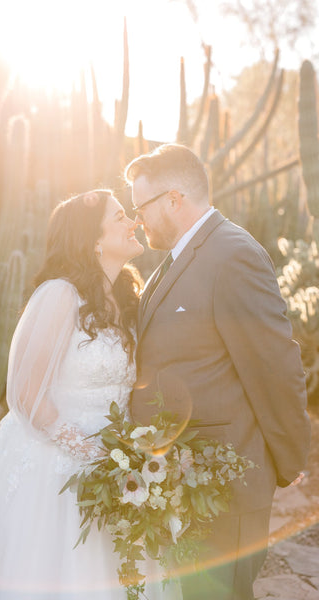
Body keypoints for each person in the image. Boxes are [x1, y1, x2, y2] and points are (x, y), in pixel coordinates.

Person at [0, 190, 181, 599]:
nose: (132, 221)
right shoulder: (60, 295)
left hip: (117, 461)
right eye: (119, 216)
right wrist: (89, 453)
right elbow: (25, 393)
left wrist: (127, 456)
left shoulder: (129, 296)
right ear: (93, 240)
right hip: (56, 462)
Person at [124, 144, 311, 600]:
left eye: (140, 207)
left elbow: (274, 366)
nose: (136, 220)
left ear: (174, 200)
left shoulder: (233, 255)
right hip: (180, 481)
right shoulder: (172, 262)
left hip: (224, 484)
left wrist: (289, 459)